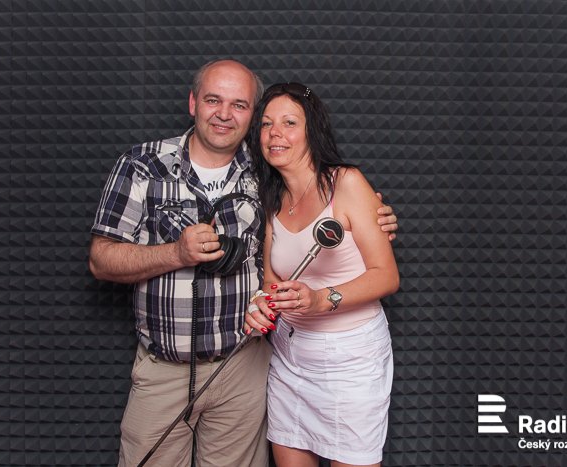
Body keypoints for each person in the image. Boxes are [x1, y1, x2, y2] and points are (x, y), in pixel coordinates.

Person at [88, 60, 399, 467]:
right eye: (213, 100)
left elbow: (363, 251)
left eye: (239, 105)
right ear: (193, 103)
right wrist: (176, 254)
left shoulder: (263, 172)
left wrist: (374, 218)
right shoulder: (144, 164)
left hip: (247, 367)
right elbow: (100, 260)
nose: (224, 114)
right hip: (171, 367)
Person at [244, 82, 399, 467]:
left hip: (350, 361)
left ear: (312, 130)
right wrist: (260, 305)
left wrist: (320, 298)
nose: (275, 133)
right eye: (266, 124)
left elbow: (386, 276)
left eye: (289, 123)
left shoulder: (347, 183)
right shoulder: (272, 195)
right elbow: (271, 281)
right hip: (290, 359)